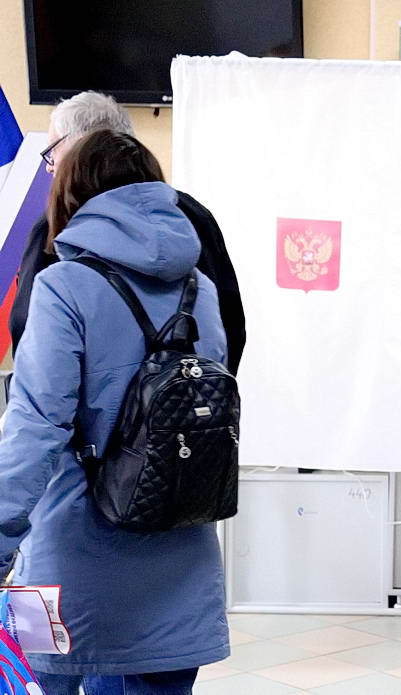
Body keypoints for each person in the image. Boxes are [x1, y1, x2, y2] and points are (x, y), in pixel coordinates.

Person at [0, 130, 230, 694]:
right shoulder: (200, 290)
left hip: (70, 559)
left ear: (71, 194)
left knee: (34, 680)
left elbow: (35, 427)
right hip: (181, 553)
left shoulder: (63, 286)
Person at [12, 90, 245, 373]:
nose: (50, 167)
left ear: (79, 146)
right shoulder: (194, 214)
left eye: (52, 150)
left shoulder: (57, 225)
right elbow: (230, 323)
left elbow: (30, 339)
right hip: (194, 394)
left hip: (91, 401)